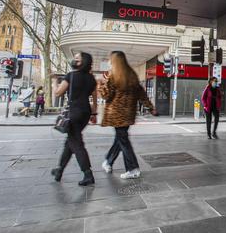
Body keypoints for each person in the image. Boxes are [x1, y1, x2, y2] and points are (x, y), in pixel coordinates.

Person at [99, 51, 156, 179]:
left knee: (123, 141)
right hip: (128, 115)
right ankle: (108, 161)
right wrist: (151, 108)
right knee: (120, 139)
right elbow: (142, 94)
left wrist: (102, 83)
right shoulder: (132, 76)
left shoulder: (113, 77)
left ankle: (133, 168)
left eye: (110, 60)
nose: (109, 62)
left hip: (117, 115)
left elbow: (105, 95)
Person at [51, 52, 98, 186]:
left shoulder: (71, 76)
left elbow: (58, 93)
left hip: (74, 113)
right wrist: (94, 114)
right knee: (71, 141)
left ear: (82, 63)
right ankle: (59, 170)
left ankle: (88, 174)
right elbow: (94, 98)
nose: (74, 60)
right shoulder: (91, 79)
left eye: (77, 59)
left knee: (76, 143)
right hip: (85, 113)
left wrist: (54, 81)